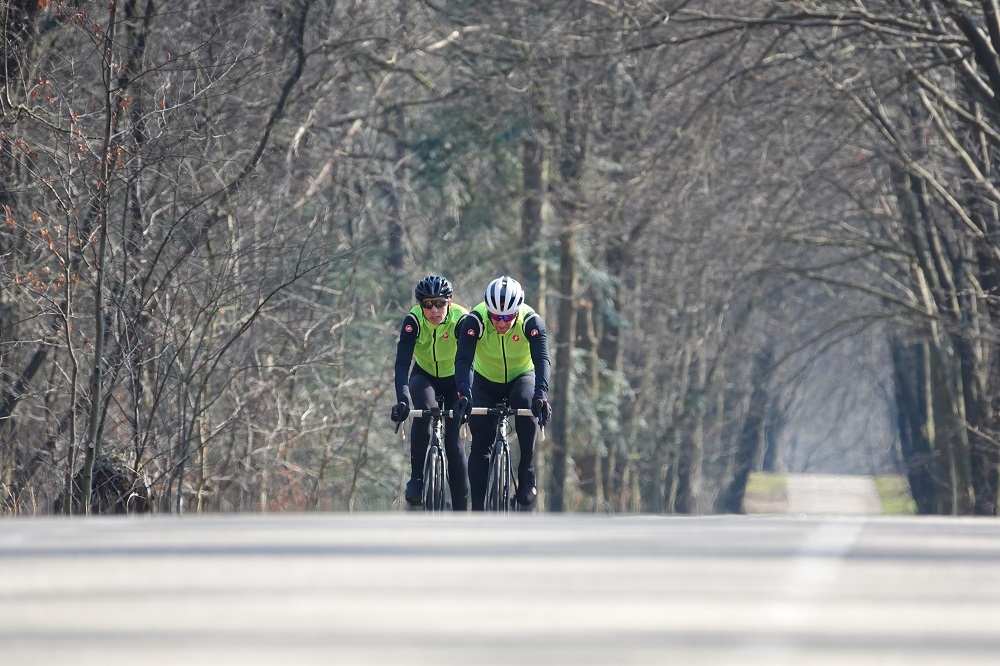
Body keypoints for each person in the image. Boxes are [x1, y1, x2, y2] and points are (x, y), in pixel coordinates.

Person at [453, 275, 551, 510]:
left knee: (526, 402)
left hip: (521, 377)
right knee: (481, 443)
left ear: (517, 311)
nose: (501, 323)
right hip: (486, 381)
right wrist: (463, 394)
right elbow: (463, 360)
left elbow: (542, 359)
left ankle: (526, 468)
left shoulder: (530, 321)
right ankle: (478, 507)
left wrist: (541, 395)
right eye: (496, 317)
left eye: (507, 317)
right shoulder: (476, 320)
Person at [391, 274, 470, 510]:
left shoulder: (462, 319)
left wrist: (466, 394)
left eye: (440, 303)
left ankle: (459, 508)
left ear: (450, 301)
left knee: (455, 445)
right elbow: (402, 364)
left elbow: (468, 360)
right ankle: (416, 478)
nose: (434, 310)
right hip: (424, 376)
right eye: (427, 305)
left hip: (456, 379)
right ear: (420, 305)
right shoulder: (413, 321)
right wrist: (402, 399)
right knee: (425, 412)